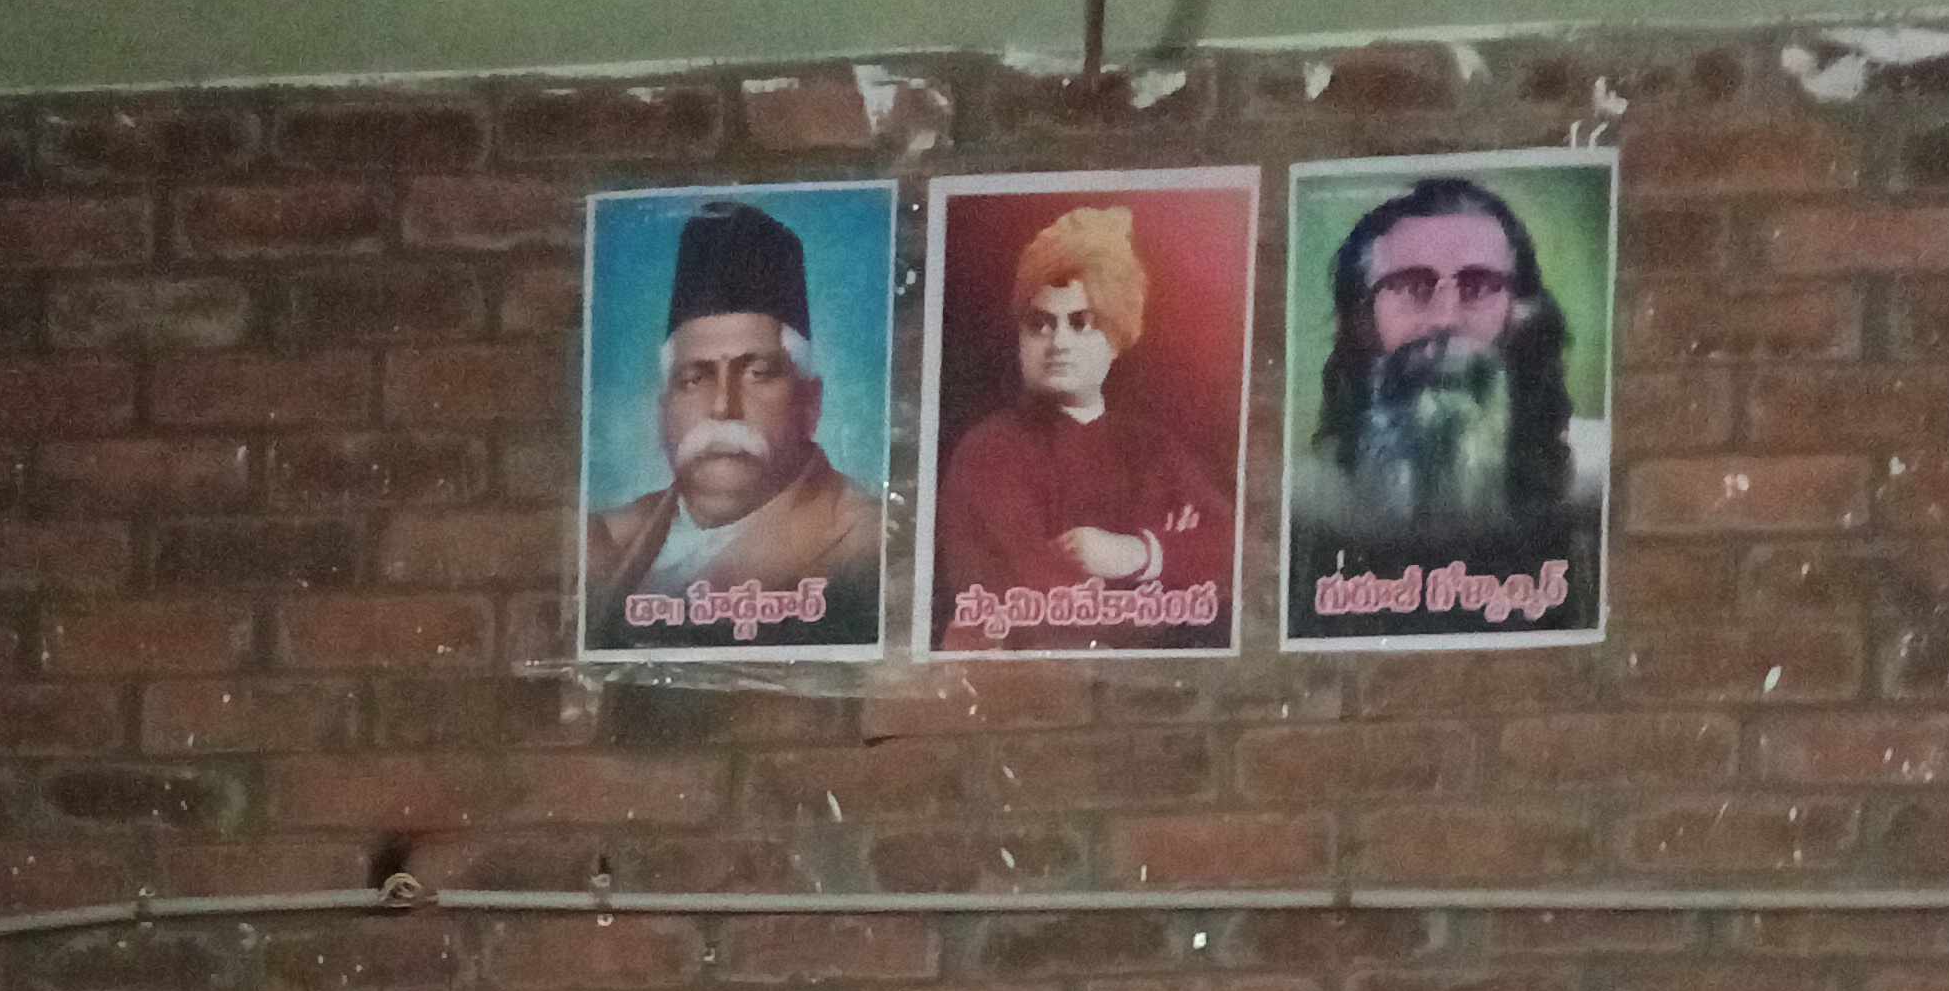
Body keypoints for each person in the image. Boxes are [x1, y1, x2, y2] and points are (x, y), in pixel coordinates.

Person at [1288, 171, 1605, 617]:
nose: (1445, 319)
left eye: (1479, 287)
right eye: (1411, 287)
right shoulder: (1304, 502)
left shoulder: (1596, 483)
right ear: (1360, 323)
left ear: (1524, 321)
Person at [583, 200, 885, 650]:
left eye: (757, 373)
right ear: (664, 411)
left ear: (810, 403)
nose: (724, 406)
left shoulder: (864, 546)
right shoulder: (602, 540)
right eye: (694, 378)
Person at [933, 203, 1232, 640]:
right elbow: (1042, 599)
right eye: (1040, 324)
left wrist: (1137, 554)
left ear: (1116, 337)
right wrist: (1176, 575)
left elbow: (1234, 550)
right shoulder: (990, 453)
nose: (1058, 342)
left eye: (1081, 323)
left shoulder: (1153, 450)